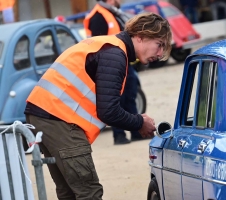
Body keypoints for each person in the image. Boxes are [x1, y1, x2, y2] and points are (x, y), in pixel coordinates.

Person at [24, 12, 172, 200]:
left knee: (69, 192)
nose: (159, 54)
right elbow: (108, 111)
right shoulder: (115, 55)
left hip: (44, 115)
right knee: (88, 192)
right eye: (159, 45)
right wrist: (139, 122)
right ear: (141, 36)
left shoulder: (107, 46)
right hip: (58, 118)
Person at [84, 0, 147, 145]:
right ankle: (119, 135)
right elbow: (98, 44)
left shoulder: (112, 12)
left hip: (124, 62)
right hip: (112, 64)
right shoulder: (98, 17)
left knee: (130, 96)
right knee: (116, 100)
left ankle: (136, 132)